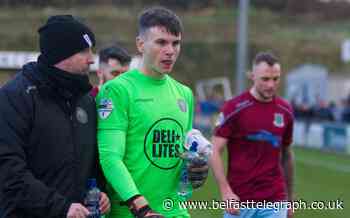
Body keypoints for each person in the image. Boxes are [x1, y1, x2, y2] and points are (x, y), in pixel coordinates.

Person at [96, 7, 209, 218]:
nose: (170, 51)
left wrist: (195, 169)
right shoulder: (118, 90)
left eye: (175, 43)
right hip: (133, 213)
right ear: (140, 44)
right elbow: (110, 158)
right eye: (161, 42)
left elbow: (182, 153)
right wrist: (141, 207)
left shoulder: (184, 94)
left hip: (174, 211)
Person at [0, 15, 110, 218]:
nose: (92, 58)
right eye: (84, 50)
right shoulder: (15, 96)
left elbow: (92, 161)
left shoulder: (86, 99)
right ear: (61, 54)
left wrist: (100, 191)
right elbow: (8, 170)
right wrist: (60, 208)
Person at [210, 52, 295, 218]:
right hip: (239, 202)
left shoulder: (285, 111)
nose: (271, 85)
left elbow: (287, 155)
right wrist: (225, 191)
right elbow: (213, 150)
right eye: (265, 79)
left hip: (274, 201)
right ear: (252, 76)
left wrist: (290, 199)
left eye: (276, 79)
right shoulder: (233, 108)